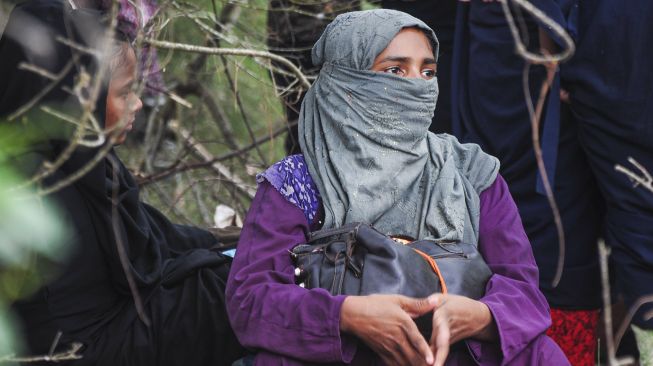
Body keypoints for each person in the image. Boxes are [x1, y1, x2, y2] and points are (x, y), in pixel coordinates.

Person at [226, 10, 568, 366]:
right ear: (348, 81)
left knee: (540, 356)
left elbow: (523, 290)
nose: (418, 84)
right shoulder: (298, 182)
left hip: (453, 354)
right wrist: (347, 315)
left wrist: (480, 316)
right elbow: (250, 299)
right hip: (342, 354)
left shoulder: (472, 172)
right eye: (395, 70)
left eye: (428, 71)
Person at [0, 1, 242, 364]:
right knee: (238, 290)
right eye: (125, 92)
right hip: (85, 349)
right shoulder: (37, 191)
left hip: (105, 332)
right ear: (81, 97)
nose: (138, 104)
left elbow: (152, 235)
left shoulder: (83, 162)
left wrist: (227, 243)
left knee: (229, 272)